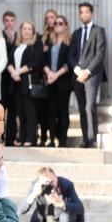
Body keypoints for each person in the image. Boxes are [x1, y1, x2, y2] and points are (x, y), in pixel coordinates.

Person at [69, 2, 107, 148]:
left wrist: (87, 71)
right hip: (78, 75)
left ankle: (92, 139)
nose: (83, 14)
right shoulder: (77, 33)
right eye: (81, 12)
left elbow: (100, 54)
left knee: (90, 106)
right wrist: (77, 70)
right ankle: (85, 139)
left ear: (91, 13)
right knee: (81, 108)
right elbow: (71, 55)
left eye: (86, 12)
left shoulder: (98, 31)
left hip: (91, 75)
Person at [7, 21, 43, 147]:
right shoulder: (16, 44)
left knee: (30, 111)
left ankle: (31, 138)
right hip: (16, 83)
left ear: (33, 31)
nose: (27, 31)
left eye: (29, 29)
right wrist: (13, 72)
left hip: (28, 82)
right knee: (20, 112)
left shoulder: (36, 44)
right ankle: (21, 137)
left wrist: (18, 72)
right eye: (24, 28)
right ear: (20, 30)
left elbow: (35, 62)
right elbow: (9, 60)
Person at [43, 15, 73, 147]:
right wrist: (49, 73)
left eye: (61, 23)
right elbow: (43, 60)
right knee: (51, 111)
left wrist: (56, 75)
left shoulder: (70, 41)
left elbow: (69, 62)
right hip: (50, 81)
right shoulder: (49, 41)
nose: (57, 25)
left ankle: (62, 140)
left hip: (63, 82)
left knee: (63, 111)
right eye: (55, 23)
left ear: (66, 25)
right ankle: (52, 139)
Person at [38, 9, 58, 146]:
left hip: (58, 78)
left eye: (52, 17)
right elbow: (39, 58)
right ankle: (43, 137)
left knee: (54, 110)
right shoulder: (42, 37)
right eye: (47, 18)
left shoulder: (61, 36)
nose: (50, 20)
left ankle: (54, 138)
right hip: (44, 78)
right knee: (43, 110)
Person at [0, 11, 18, 146]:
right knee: (1, 110)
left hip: (15, 79)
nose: (9, 23)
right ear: (3, 22)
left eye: (12, 20)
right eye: (7, 20)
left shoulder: (19, 36)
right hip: (1, 79)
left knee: (13, 111)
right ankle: (0, 137)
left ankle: (11, 138)